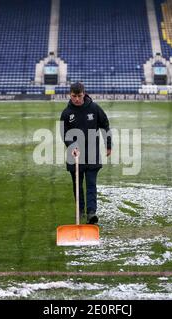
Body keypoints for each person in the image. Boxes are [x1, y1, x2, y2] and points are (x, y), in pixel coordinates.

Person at [60, 82, 112, 224]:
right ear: (69, 95)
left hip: (92, 153)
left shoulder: (94, 109)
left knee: (91, 184)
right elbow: (63, 133)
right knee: (77, 184)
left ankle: (91, 213)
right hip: (74, 155)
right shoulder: (66, 113)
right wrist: (71, 146)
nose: (76, 99)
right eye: (74, 96)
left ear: (84, 94)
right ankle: (80, 209)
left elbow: (105, 125)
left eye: (79, 96)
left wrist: (108, 145)